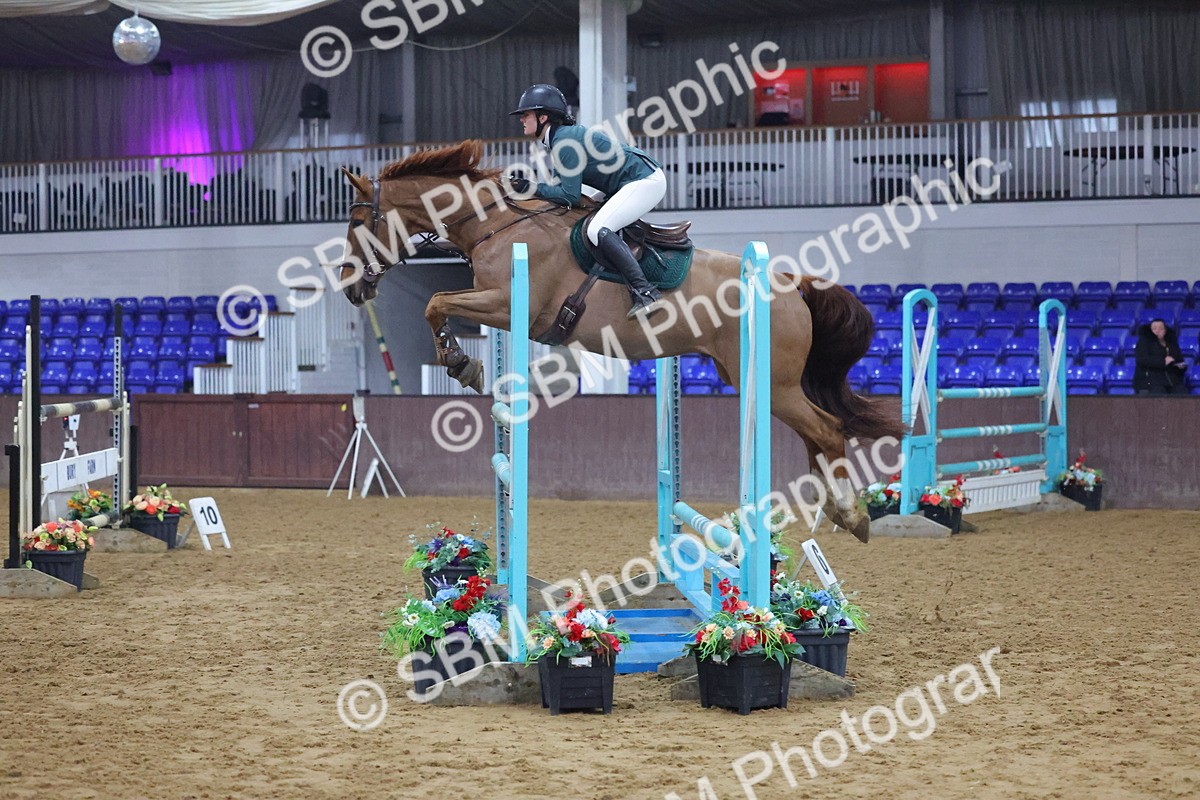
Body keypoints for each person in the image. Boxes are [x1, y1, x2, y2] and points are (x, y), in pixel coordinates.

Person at [508, 84, 667, 319]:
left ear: (543, 117)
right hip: (625, 182)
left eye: (526, 114)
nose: (522, 119)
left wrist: (531, 188)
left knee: (597, 229)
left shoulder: (564, 141)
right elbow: (560, 193)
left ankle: (646, 292)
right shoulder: (559, 139)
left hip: (644, 180)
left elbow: (569, 195)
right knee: (585, 220)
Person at [1133, 318, 1188, 394]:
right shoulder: (1144, 342)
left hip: (1172, 380)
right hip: (1150, 380)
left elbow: (1179, 359)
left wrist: (1181, 366)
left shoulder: (1172, 344)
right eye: (1154, 328)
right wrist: (1163, 361)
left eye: (1161, 328)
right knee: (1159, 393)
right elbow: (1142, 359)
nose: (1157, 331)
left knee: (1181, 392)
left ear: (1165, 331)